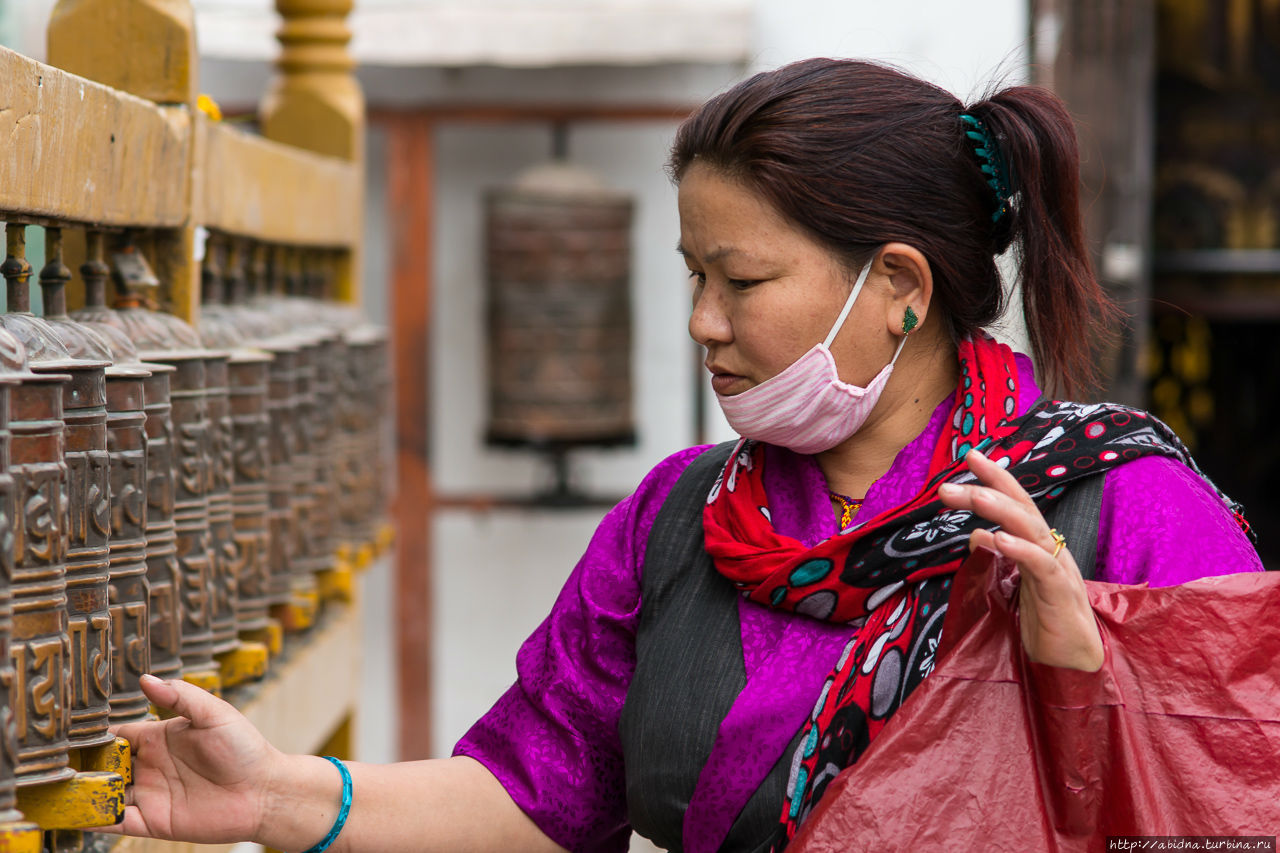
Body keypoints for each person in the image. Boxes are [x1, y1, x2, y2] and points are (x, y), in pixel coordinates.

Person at [104, 58, 1262, 853]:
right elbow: (539, 788)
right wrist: (276, 795)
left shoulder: (1122, 515)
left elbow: (1231, 813)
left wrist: (1084, 686)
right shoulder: (685, 521)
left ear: (897, 288)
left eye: (742, 280)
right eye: (691, 275)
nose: (702, 321)